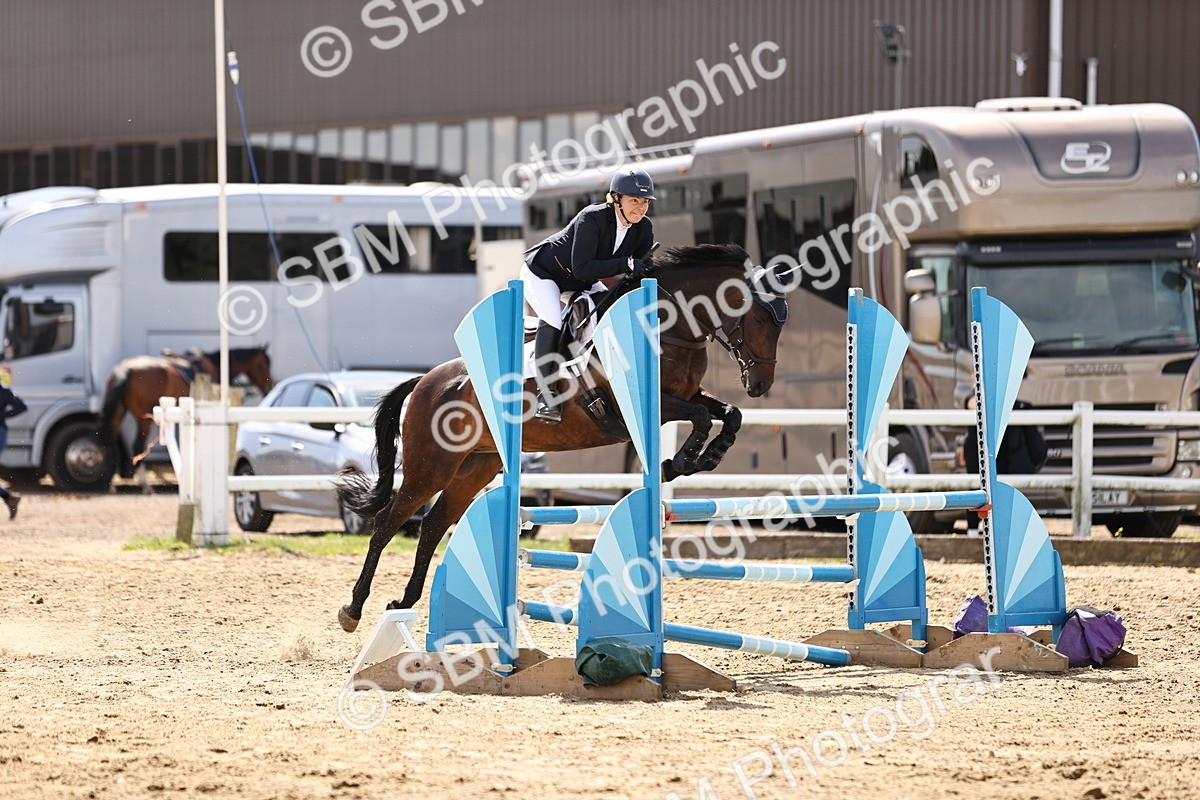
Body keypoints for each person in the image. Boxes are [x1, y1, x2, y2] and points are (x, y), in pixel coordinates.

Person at [520, 168, 657, 423]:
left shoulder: (644, 228)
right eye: (634, 200)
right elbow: (582, 267)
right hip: (545, 274)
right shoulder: (592, 218)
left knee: (611, 312)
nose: (641, 208)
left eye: (645, 202)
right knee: (553, 319)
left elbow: (641, 269)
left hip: (582, 281)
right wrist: (626, 264)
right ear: (616, 198)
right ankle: (546, 395)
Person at [961, 398, 1048, 535]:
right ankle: (974, 531)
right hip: (986, 456)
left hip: (1004, 456)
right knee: (980, 491)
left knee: (998, 495)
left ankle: (979, 531)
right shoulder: (977, 399)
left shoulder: (1015, 404)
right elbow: (971, 403)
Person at [0, 373, 27, 520]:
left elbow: (21, 406)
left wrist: (3, 416)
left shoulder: (3, 390)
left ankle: (8, 497)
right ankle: (8, 497)